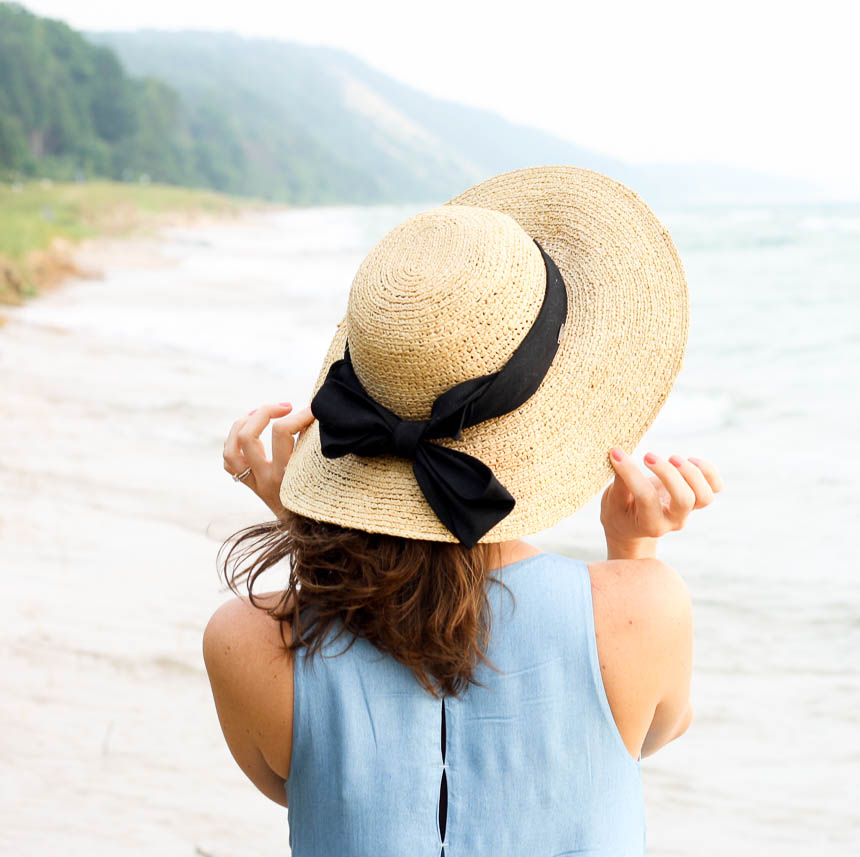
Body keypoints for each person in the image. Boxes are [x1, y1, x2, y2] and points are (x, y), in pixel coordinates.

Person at [205, 166, 724, 856]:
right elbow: (644, 733)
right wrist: (633, 554)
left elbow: (306, 785)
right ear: (557, 401)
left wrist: (309, 528)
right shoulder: (645, 609)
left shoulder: (242, 642)